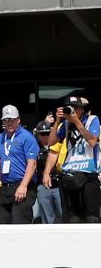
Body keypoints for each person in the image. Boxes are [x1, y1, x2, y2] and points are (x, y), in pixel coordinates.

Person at [50, 94, 100, 222]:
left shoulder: (92, 120)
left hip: (89, 172)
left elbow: (93, 141)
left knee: (91, 216)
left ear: (82, 109)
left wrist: (77, 122)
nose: (72, 110)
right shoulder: (65, 124)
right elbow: (51, 142)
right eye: (69, 108)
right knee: (73, 217)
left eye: (76, 108)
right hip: (71, 173)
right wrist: (57, 122)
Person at [0, 104, 39, 225]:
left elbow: (32, 163)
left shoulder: (26, 137)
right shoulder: (1, 137)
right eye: (6, 120)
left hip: (22, 185)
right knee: (4, 224)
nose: (9, 123)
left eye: (12, 120)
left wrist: (24, 185)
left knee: (19, 223)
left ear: (18, 120)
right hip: (6, 186)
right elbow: (3, 162)